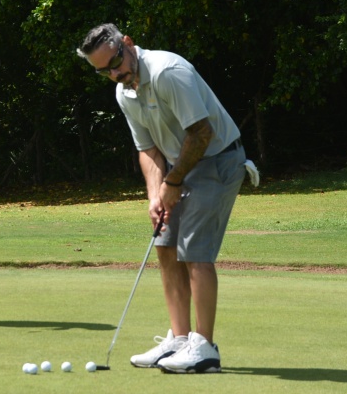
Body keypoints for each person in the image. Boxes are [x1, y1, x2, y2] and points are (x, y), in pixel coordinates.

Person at [78, 23, 254, 373]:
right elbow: (147, 150)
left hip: (217, 160)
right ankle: (179, 338)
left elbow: (201, 133)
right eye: (104, 71)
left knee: (194, 251)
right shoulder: (124, 92)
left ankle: (204, 348)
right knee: (165, 244)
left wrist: (171, 183)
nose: (115, 73)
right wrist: (154, 196)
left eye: (116, 61)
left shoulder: (168, 72)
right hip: (179, 165)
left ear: (128, 44)